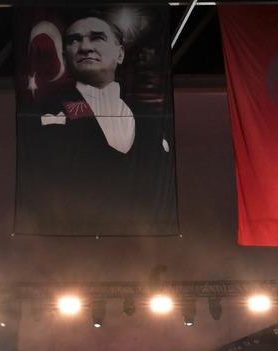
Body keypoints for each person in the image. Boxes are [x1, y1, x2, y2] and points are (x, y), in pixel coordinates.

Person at [16, 11, 175, 236]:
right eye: (74, 40)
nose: (85, 47)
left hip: (144, 237)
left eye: (97, 38)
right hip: (67, 236)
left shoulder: (151, 118)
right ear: (65, 56)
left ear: (120, 54)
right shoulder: (41, 115)